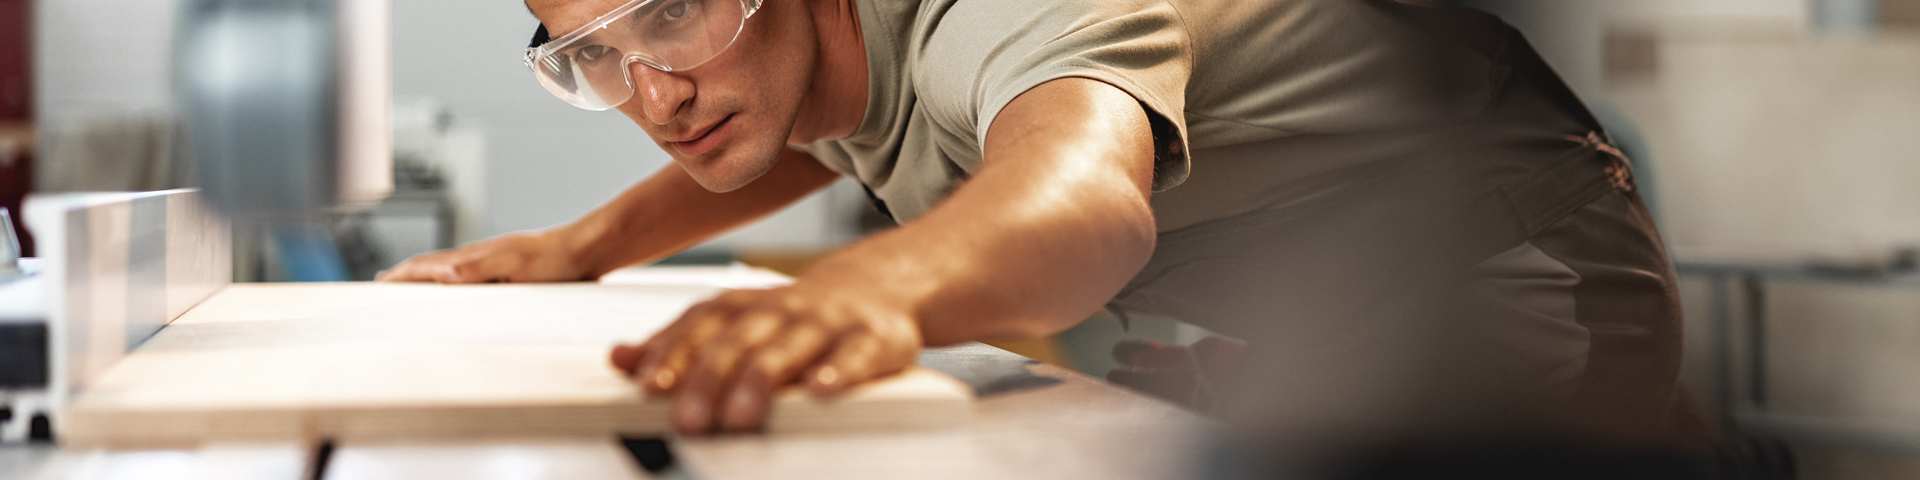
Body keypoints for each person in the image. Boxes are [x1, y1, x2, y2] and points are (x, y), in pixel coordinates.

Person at [382, 0, 1703, 465]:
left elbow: (1081, 196)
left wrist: (871, 291)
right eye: (596, 54)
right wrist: (586, 245)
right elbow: (773, 137)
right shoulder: (792, 55)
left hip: (1513, 259)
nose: (654, 93)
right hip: (1314, 287)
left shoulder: (991, 9)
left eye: (668, 14)